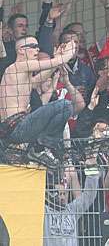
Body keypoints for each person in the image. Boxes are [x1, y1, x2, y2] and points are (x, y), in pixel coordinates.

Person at [0, 26, 77, 156]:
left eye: (37, 46)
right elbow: (56, 62)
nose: (37, 49)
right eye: (33, 46)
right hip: (17, 127)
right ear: (21, 51)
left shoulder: (21, 74)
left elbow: (39, 78)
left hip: (14, 130)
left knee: (64, 107)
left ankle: (43, 144)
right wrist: (69, 52)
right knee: (65, 105)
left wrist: (57, 60)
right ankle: (45, 145)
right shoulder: (18, 66)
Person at [44, 160, 99, 246]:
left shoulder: (72, 210)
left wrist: (92, 168)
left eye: (64, 193)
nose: (62, 197)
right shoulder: (44, 211)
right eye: (58, 194)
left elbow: (89, 195)